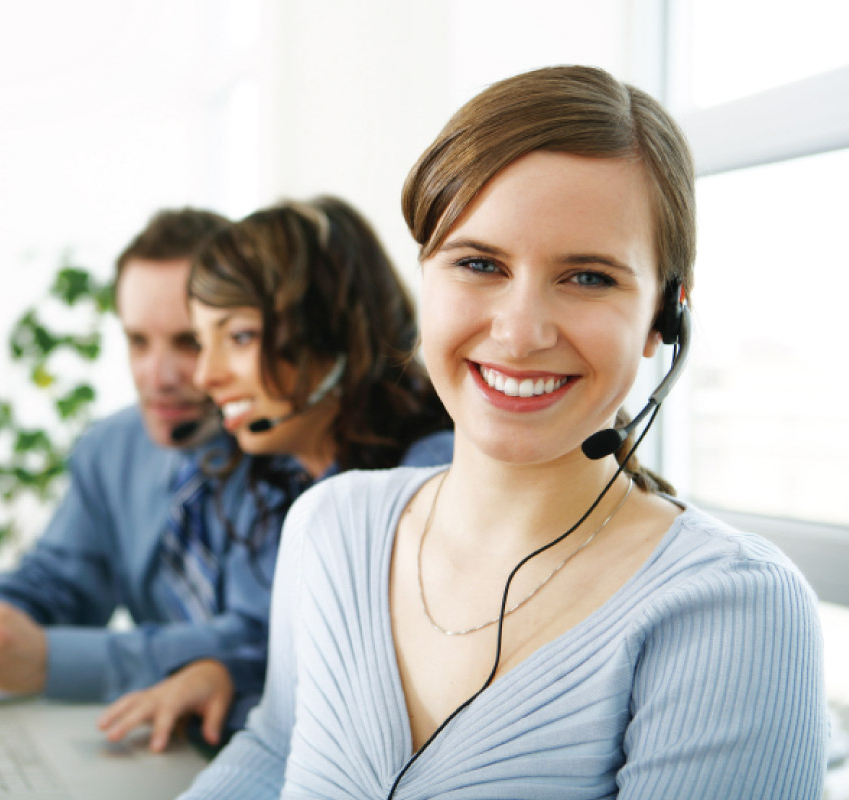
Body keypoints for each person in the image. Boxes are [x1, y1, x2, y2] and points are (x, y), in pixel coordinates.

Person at [178, 66, 826, 799]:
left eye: (587, 277)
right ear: (424, 277)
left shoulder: (731, 608)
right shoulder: (331, 523)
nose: (520, 334)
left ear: (664, 316)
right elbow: (274, 747)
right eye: (479, 263)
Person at [0, 208, 280, 715]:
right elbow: (57, 582)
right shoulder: (111, 449)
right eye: (137, 341)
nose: (158, 375)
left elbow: (262, 637)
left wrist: (55, 661)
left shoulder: (288, 452)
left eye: (188, 342)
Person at [97, 195, 456, 752]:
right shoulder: (274, 478)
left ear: (334, 334)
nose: (206, 375)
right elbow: (273, 671)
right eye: (203, 338)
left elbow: (368, 723)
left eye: (238, 336)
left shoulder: (432, 478)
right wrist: (225, 674)